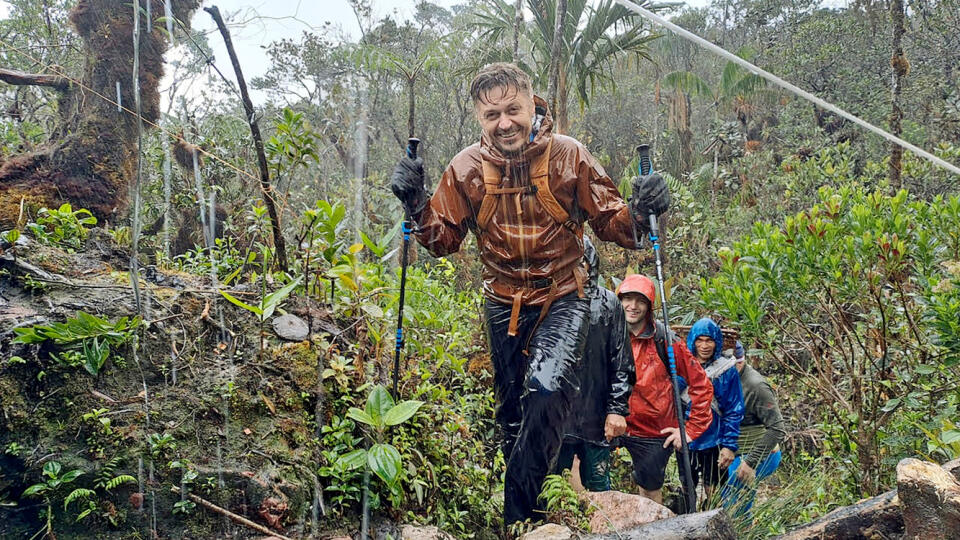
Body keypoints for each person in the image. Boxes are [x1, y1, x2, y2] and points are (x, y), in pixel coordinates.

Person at [389, 63, 670, 524]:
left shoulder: (568, 156)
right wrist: (417, 202)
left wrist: (641, 212)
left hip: (563, 292)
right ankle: (538, 513)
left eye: (513, 110)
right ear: (479, 118)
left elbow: (616, 225)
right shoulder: (466, 169)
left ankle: (514, 518)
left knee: (548, 388)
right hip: (501, 300)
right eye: (491, 115)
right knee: (512, 416)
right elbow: (443, 241)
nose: (504, 123)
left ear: (531, 102)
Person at [616, 274, 713, 505]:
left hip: (653, 431)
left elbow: (701, 384)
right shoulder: (608, 333)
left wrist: (689, 431)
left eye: (640, 301)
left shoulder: (666, 341)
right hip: (613, 421)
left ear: (650, 306)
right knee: (581, 470)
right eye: (627, 299)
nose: (632, 306)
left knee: (650, 492)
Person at [553, 237, 634, 492]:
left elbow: (622, 361)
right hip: (557, 417)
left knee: (599, 487)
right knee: (552, 490)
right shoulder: (551, 299)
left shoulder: (609, 303)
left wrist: (617, 409)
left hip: (596, 416)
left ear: (591, 264)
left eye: (581, 262)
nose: (577, 269)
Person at [682, 318, 744, 509]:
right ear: (693, 340)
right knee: (686, 489)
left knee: (714, 490)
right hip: (687, 438)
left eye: (709, 340)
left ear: (717, 341)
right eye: (700, 340)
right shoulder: (681, 366)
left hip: (715, 439)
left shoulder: (726, 370)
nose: (704, 345)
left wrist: (729, 445)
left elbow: (734, 409)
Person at [720, 342, 786, 517]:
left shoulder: (756, 386)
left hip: (757, 454)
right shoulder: (719, 376)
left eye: (738, 363)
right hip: (729, 450)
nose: (733, 368)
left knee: (733, 503)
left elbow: (778, 429)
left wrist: (750, 462)